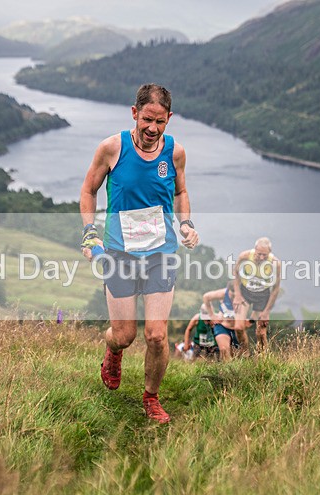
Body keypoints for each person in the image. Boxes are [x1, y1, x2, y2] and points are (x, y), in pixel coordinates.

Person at [80, 83, 199, 424]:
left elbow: (181, 192)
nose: (152, 128)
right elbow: (88, 190)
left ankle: (151, 398)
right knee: (125, 335)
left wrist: (186, 223)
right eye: (147, 119)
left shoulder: (175, 153)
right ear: (134, 113)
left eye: (160, 122)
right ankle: (113, 350)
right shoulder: (112, 148)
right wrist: (89, 232)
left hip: (161, 253)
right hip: (120, 253)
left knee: (157, 336)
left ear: (169, 118)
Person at [232, 237, 281, 351]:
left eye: (265, 255)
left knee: (261, 332)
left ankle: (263, 358)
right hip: (245, 292)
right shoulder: (244, 256)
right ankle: (245, 353)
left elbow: (275, 289)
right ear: (255, 250)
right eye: (259, 254)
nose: (262, 257)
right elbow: (236, 273)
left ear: (270, 253)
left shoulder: (275, 263)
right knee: (238, 327)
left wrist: (266, 311)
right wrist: (237, 295)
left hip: (262, 296)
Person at [202, 287, 242, 362]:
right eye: (231, 293)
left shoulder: (246, 294)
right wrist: (212, 316)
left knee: (237, 356)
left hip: (238, 329)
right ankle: (226, 368)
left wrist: (251, 320)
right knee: (224, 351)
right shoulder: (224, 292)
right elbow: (206, 297)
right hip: (222, 326)